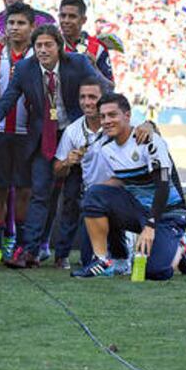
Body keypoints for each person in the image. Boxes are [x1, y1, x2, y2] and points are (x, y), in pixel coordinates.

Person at [0, 24, 111, 268]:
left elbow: (105, 90)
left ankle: (62, 254)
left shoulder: (77, 63)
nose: (43, 50)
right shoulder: (24, 68)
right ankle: (30, 252)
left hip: (76, 136)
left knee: (72, 196)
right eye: (38, 46)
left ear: (59, 46)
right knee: (40, 193)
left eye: (48, 45)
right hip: (43, 139)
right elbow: (9, 98)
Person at [74, 93, 186, 280]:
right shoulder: (105, 147)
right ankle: (104, 261)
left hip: (167, 213)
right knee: (94, 195)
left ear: (127, 116)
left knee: (155, 272)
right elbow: (124, 179)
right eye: (103, 116)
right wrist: (93, 197)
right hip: (138, 208)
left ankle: (182, 244)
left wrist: (150, 225)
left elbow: (162, 187)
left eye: (112, 115)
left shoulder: (149, 140)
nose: (107, 121)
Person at [52, 79, 132, 271]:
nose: (87, 102)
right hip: (94, 201)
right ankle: (110, 251)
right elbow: (56, 169)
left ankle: (125, 246)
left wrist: (150, 125)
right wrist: (67, 162)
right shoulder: (73, 131)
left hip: (123, 194)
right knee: (89, 261)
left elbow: (143, 131)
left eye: (92, 97)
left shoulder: (117, 124)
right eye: (83, 97)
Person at [0, 2, 35, 265]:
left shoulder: (39, 52)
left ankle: (20, 245)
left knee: (25, 190)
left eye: (21, 23)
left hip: (28, 132)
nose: (15, 28)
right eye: (11, 23)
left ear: (32, 27)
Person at [58, 0, 114, 82]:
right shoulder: (50, 44)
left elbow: (110, 87)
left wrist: (94, 68)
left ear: (84, 20)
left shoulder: (98, 47)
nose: (66, 21)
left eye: (72, 16)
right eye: (63, 16)